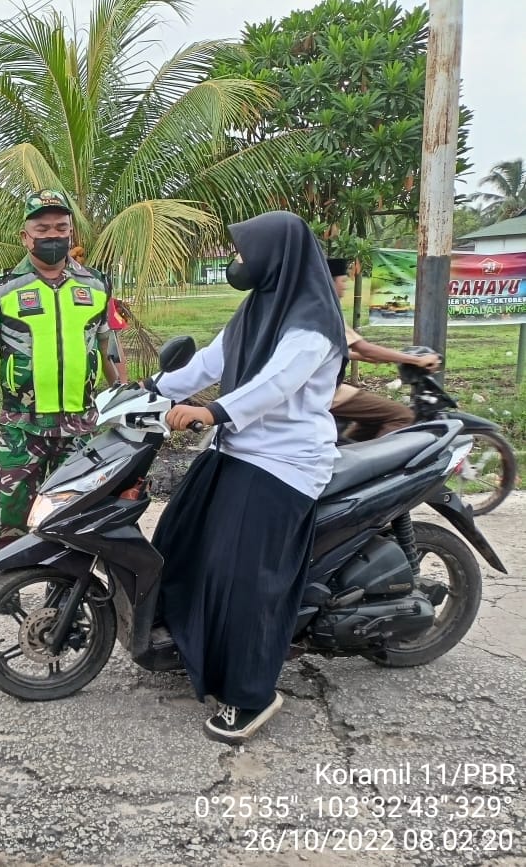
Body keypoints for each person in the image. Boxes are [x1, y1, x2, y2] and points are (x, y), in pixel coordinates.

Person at [146, 210, 349, 745]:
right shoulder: (258, 308)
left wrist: (212, 413)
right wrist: (153, 389)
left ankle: (251, 695)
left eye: (242, 253)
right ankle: (193, 644)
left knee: (244, 576)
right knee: (178, 535)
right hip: (240, 448)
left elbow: (276, 385)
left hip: (285, 463)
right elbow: (211, 363)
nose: (237, 262)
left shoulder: (311, 325)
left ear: (272, 257)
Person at [0, 189, 124, 554]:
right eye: (42, 228)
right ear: (26, 236)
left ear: (71, 233)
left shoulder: (96, 285)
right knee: (8, 515)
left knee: (76, 514)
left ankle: (64, 592)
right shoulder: (2, 289)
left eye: (60, 227)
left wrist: (124, 399)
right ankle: (9, 583)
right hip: (22, 426)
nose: (52, 235)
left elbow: (109, 347)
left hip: (80, 426)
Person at [326, 258, 441, 439]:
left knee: (372, 416)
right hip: (327, 391)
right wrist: (416, 360)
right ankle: (376, 463)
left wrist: (359, 357)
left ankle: (354, 452)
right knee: (402, 416)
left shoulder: (308, 305)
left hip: (323, 386)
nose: (346, 287)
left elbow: (322, 351)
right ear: (329, 281)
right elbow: (366, 348)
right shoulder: (326, 309)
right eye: (343, 281)